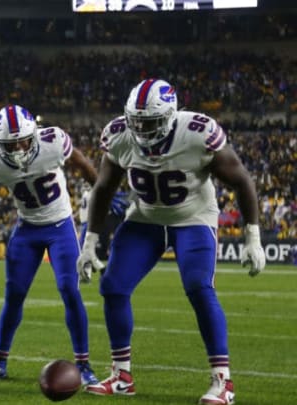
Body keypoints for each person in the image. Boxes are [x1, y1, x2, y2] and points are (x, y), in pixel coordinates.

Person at [77, 78, 266, 404]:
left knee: (198, 286)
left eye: (148, 123)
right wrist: (90, 241)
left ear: (168, 116)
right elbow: (104, 188)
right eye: (136, 121)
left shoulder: (197, 131)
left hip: (192, 218)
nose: (140, 129)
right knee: (113, 286)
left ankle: (223, 382)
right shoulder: (120, 135)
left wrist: (253, 237)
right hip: (146, 219)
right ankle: (122, 376)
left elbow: (242, 181)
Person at [0, 104, 101, 388]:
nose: (19, 146)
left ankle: (83, 364)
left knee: (69, 290)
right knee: (14, 294)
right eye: (10, 143)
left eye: (23, 139)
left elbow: (82, 164)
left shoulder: (53, 141)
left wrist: (102, 193)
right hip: (26, 229)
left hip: (60, 228)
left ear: (33, 133)